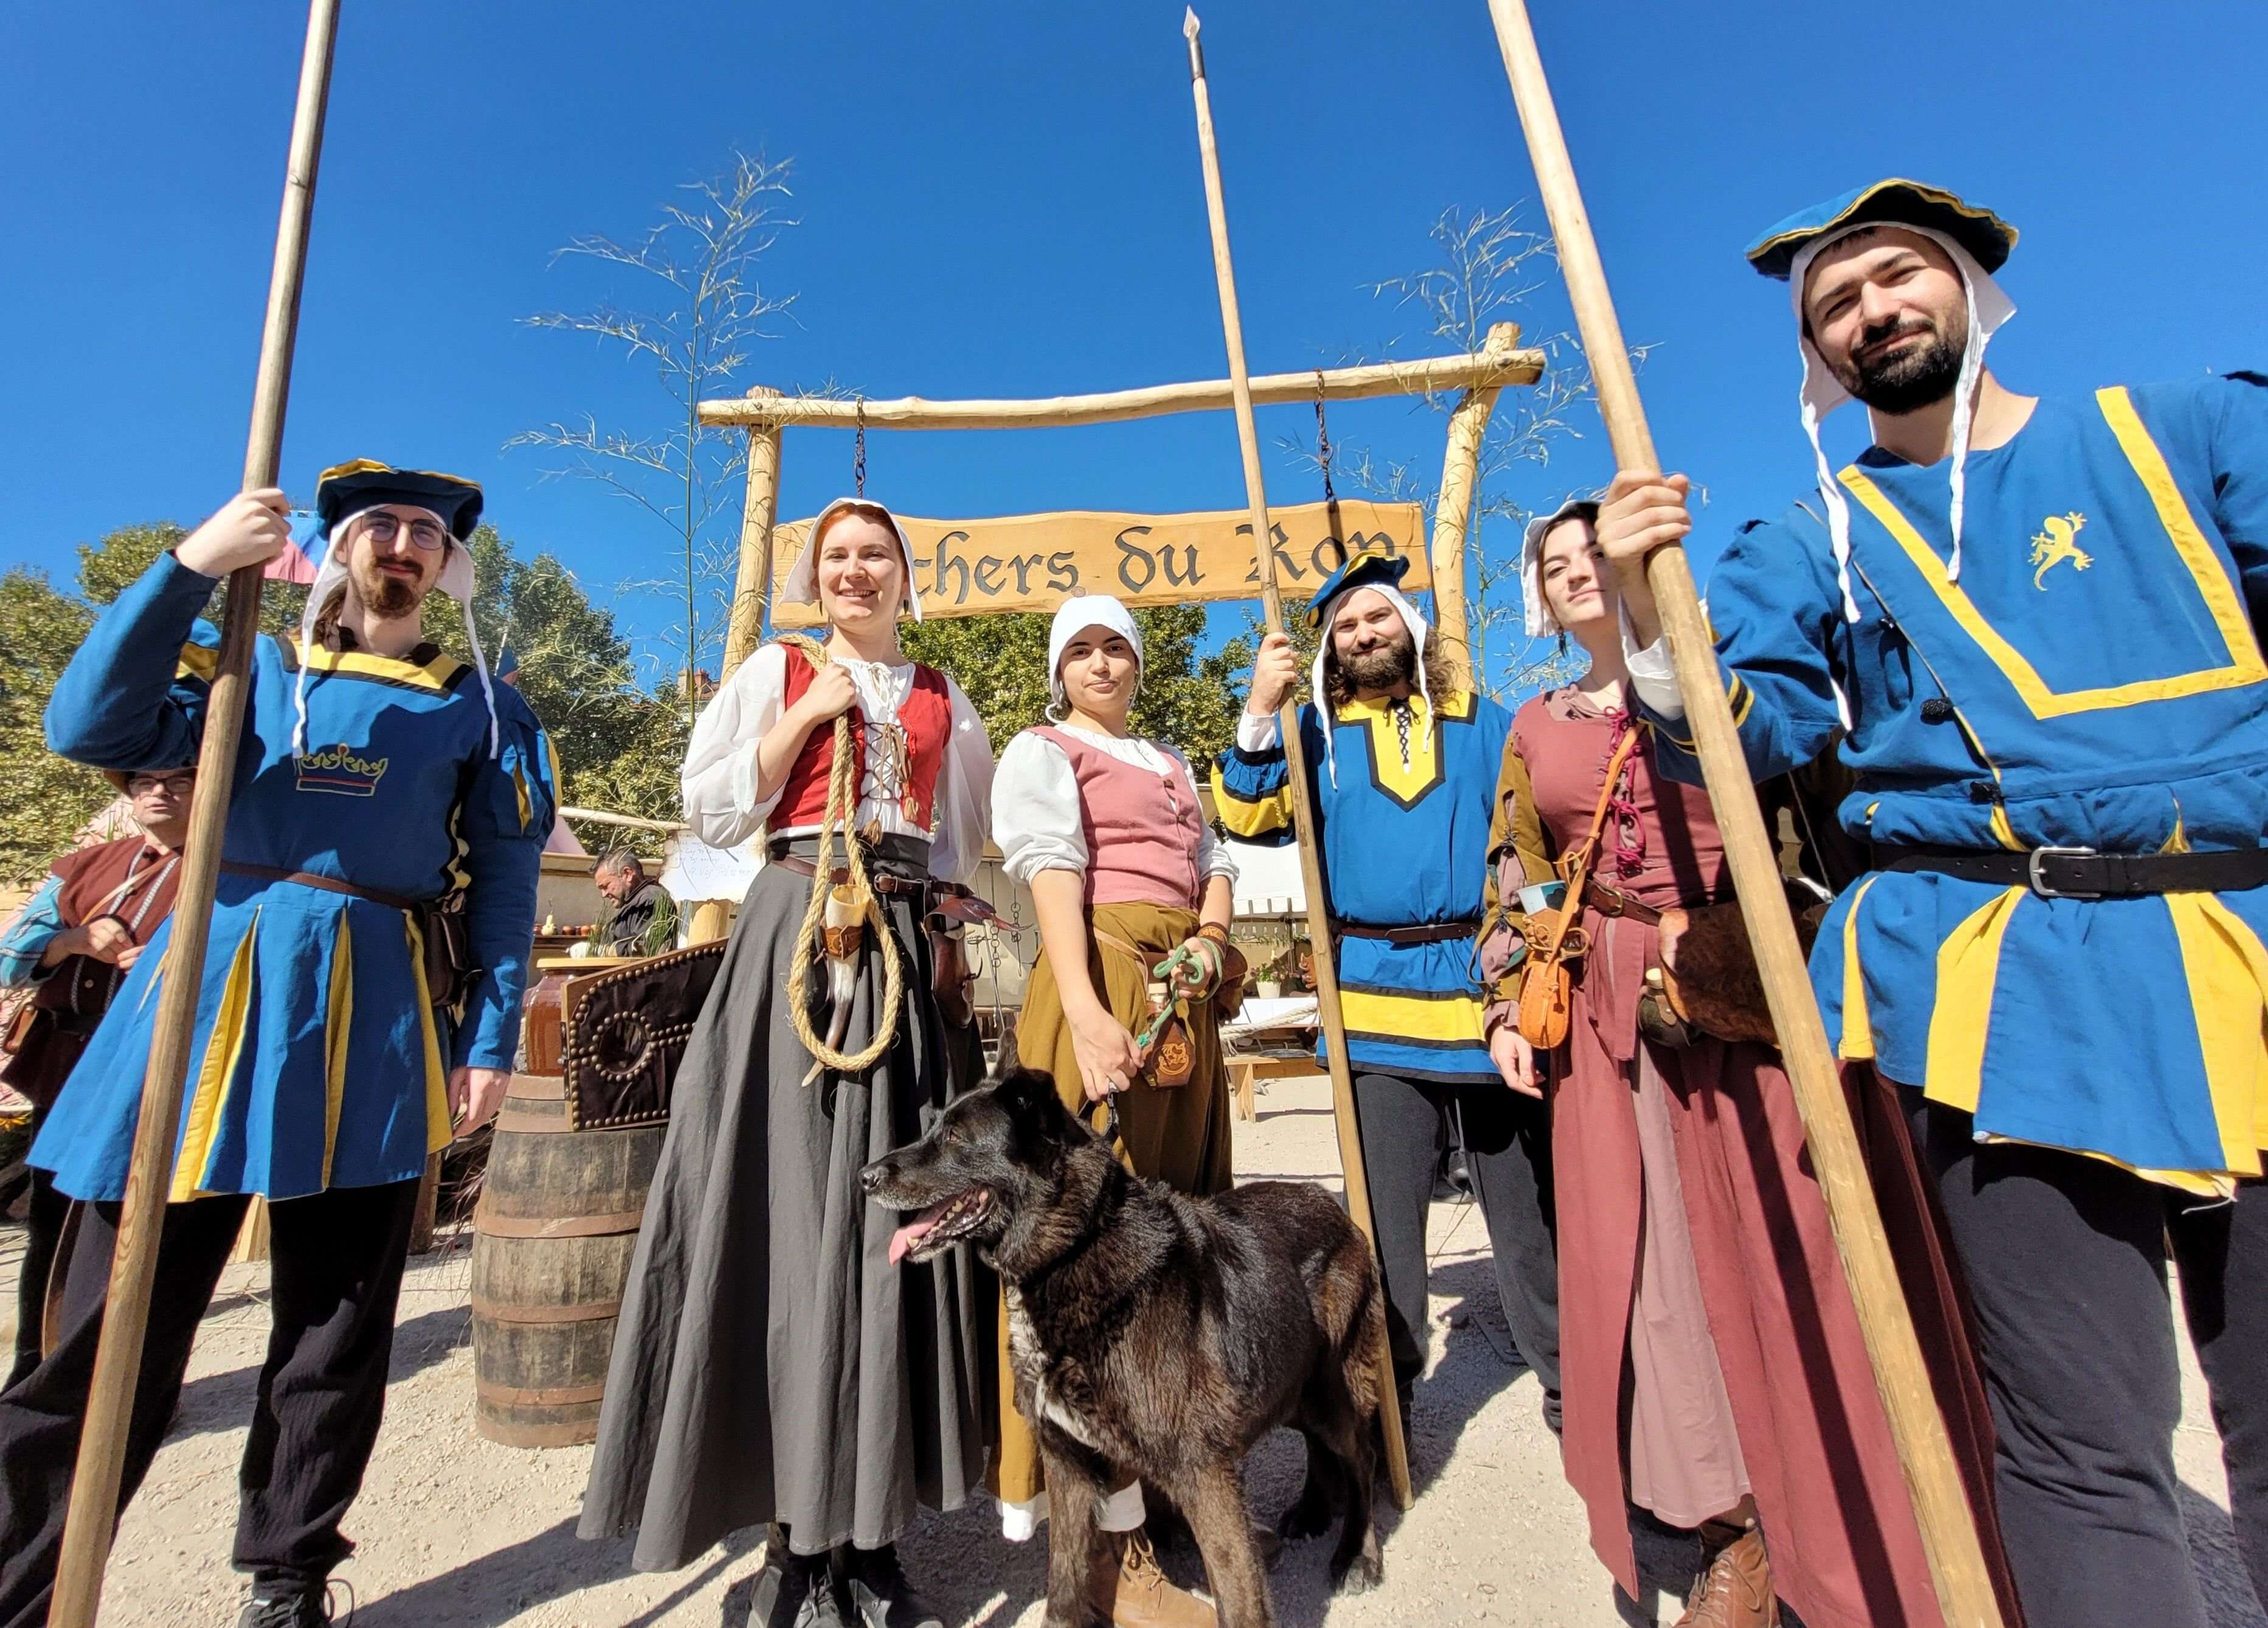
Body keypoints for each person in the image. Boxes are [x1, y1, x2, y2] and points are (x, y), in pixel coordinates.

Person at [1598, 178, 2268, 1628]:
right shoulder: (1807, 544)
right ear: (1816, 359)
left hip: (2244, 946)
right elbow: (1746, 733)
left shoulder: (2193, 433)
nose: (1867, 313)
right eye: (1833, 307)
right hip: (1993, 987)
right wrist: (1652, 626)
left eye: (1893, 278)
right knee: (2080, 1443)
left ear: (1968, 285)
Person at [0, 464, 554, 1628]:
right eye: (380, 525)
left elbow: (503, 887)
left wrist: (491, 1036)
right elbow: (82, 725)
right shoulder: (243, 662)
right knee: (105, 1326)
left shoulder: (487, 709)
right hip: (200, 1000)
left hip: (380, 1017)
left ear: (445, 565)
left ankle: (288, 1575)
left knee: (336, 1324)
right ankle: (19, 1577)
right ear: (337, 545)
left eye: (423, 533)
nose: (402, 544)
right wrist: (190, 565)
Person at [1478, 503, 2008, 1628]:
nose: (1577, 575)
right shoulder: (1532, 727)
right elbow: (1515, 878)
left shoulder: (1737, 688)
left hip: (1756, 1005)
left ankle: (1856, 1513)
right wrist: (1504, 1007)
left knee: (1798, 1259)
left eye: (1594, 555)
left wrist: (1757, 953)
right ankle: (1734, 1534)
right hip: (1610, 1031)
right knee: (1659, 1280)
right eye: (1555, 566)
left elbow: (1829, 835)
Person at [580, 498, 996, 1628]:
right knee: (788, 1217)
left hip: (901, 945)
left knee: (892, 1223)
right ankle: (788, 1535)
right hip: (793, 936)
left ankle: (870, 1529)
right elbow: (712, 804)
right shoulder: (777, 666)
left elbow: (960, 835)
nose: (856, 571)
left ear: (908, 576)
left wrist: (944, 931)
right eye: (836, 558)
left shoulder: (944, 699)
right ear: (813, 577)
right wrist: (805, 710)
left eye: (877, 556)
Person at [1212, 549, 1560, 1438]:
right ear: (1332, 649)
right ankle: (1387, 1410)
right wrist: (1261, 703)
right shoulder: (1314, 740)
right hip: (1369, 1002)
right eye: (1347, 626)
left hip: (1484, 990)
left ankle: (1571, 1389)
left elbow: (1530, 845)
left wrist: (1531, 969)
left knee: (1525, 1216)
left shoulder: (1488, 724)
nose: (1364, 634)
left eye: (1378, 617)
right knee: (1385, 1227)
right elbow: (1246, 814)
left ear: (1410, 629)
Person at [989, 595, 1235, 1628]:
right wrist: (1088, 1012)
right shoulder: (1041, 750)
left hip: (1180, 1003)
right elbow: (1054, 876)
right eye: (1080, 647)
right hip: (1100, 988)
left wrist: (1213, 943)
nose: (1100, 660)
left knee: (1177, 1247)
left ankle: (1167, 1478)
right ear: (1060, 667)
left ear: (1137, 662)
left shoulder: (1174, 760)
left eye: (1115, 646)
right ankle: (1111, 1539)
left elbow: (1215, 864)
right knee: (1093, 1269)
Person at [0, 767, 192, 1390]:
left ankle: (128, 1384)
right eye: (144, 780)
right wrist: (72, 941)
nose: (158, 792)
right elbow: (10, 959)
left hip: (160, 1071)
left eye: (180, 779)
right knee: (52, 1226)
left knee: (138, 1230)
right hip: (68, 1064)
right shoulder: (87, 868)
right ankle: (34, 1368)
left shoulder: (232, 876)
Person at [594, 849, 677, 956]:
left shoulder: (650, 901)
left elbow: (644, 948)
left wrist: (605, 952)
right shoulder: (634, 902)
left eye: (605, 886)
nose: (604, 895)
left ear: (627, 874)